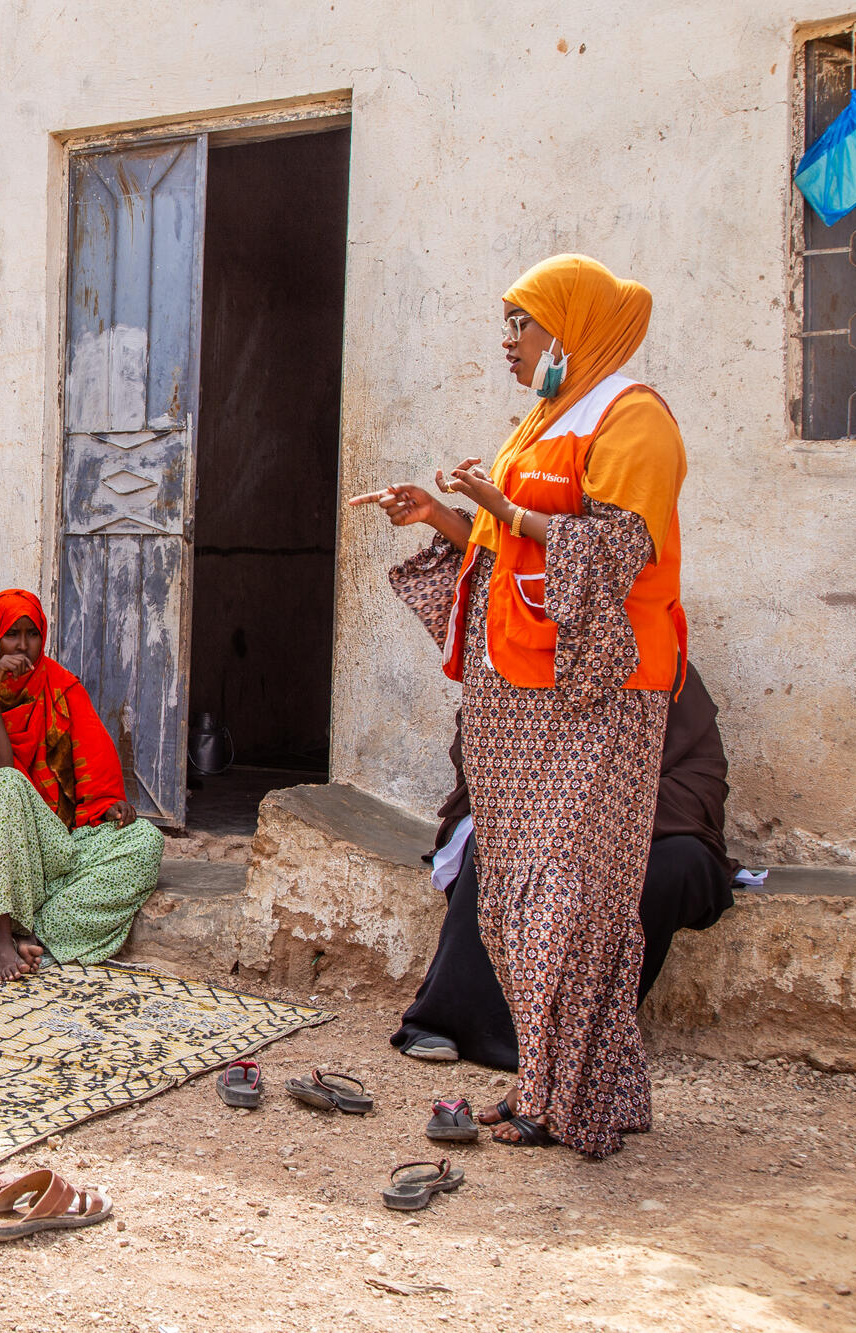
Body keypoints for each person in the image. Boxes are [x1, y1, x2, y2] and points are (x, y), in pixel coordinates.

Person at [347, 253, 688, 1157]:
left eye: (522, 324)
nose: (508, 341)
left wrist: (507, 506)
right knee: (508, 899)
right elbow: (505, 552)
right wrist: (442, 516)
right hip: (517, 691)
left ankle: (567, 1099)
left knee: (570, 901)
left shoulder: (636, 421)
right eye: (506, 324)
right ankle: (549, 1083)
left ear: (570, 329)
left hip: (594, 696)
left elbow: (617, 551)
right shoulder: (543, 421)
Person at [390, 662, 738, 1068]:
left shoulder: (663, 667)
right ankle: (450, 1020)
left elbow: (702, 781)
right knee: (499, 848)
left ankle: (577, 1038)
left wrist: (603, 813)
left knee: (681, 862)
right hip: (531, 812)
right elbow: (481, 752)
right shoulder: (517, 657)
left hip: (644, 824)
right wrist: (558, 806)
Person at [0, 589, 163, 980]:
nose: (23, 646)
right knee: (6, 785)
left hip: (51, 834)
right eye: (11, 635)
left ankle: (40, 938)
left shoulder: (61, 686)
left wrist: (107, 804)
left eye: (32, 634)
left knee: (146, 840)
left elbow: (94, 760)